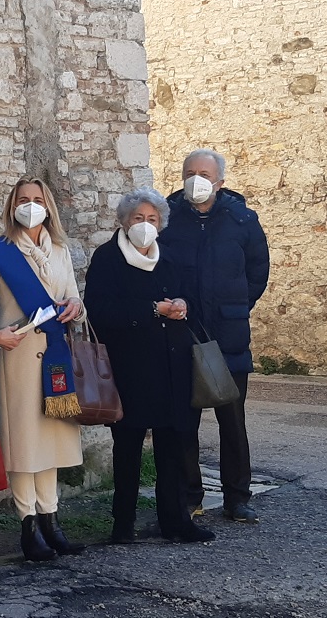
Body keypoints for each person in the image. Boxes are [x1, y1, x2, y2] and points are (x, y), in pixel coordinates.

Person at [84, 188, 215, 544]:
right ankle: (122, 523)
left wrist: (183, 305)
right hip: (130, 369)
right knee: (127, 448)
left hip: (173, 368)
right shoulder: (108, 258)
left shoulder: (169, 259)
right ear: (125, 222)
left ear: (161, 223)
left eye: (152, 219)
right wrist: (152, 309)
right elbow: (100, 310)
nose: (145, 225)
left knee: (173, 447)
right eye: (139, 219)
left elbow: (194, 301)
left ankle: (174, 520)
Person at [0, 177, 87, 562]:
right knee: (24, 443)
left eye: (37, 199)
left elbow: (72, 295)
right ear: (12, 206)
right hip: (18, 356)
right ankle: (27, 525)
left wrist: (75, 307)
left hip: (56, 354)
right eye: (24, 199)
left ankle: (52, 523)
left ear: (48, 206)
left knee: (51, 438)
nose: (31, 205)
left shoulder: (59, 250)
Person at [159, 148, 270, 523]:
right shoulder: (167, 220)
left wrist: (235, 306)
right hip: (182, 333)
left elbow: (258, 271)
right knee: (184, 422)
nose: (197, 179)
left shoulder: (242, 220)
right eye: (190, 172)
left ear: (220, 181)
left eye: (204, 174)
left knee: (232, 420)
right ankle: (190, 495)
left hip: (228, 335)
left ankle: (237, 497)